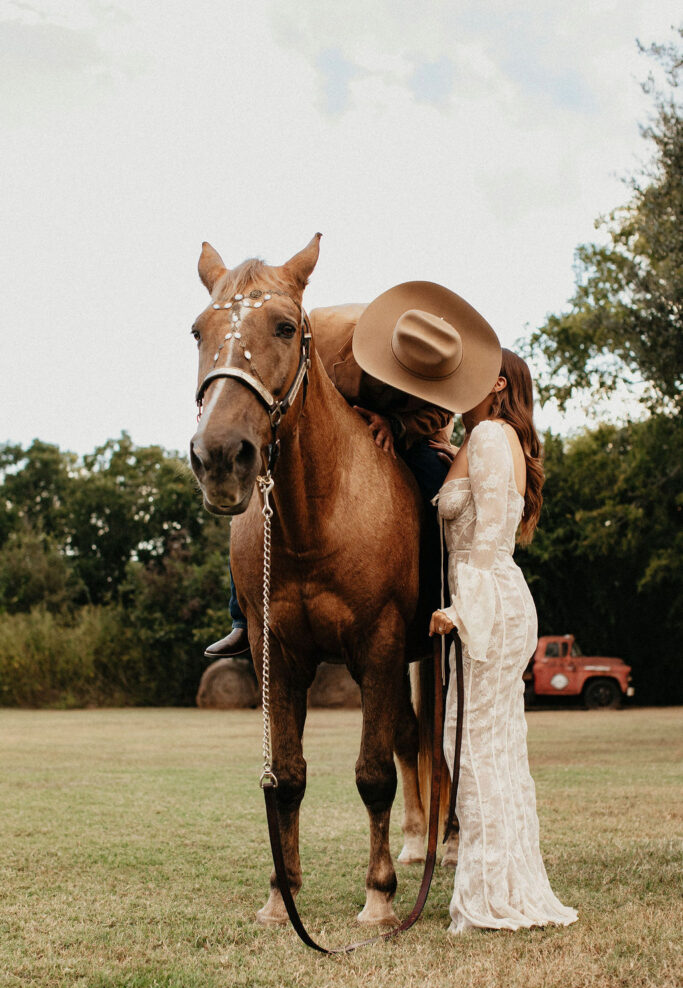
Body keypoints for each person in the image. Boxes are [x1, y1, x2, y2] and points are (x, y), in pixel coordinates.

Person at [206, 288, 471, 658]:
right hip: (328, 427)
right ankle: (241, 617)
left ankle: (441, 603)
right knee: (264, 492)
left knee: (438, 492)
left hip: (408, 434)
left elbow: (441, 415)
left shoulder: (442, 362)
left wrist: (394, 425)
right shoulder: (329, 335)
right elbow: (299, 388)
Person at [429, 347, 578, 934]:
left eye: (471, 374)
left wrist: (461, 609)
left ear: (495, 383)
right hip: (492, 600)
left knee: (472, 749)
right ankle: (500, 885)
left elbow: (489, 534)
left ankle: (487, 897)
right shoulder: (481, 435)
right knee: (490, 748)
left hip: (490, 601)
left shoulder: (492, 435)